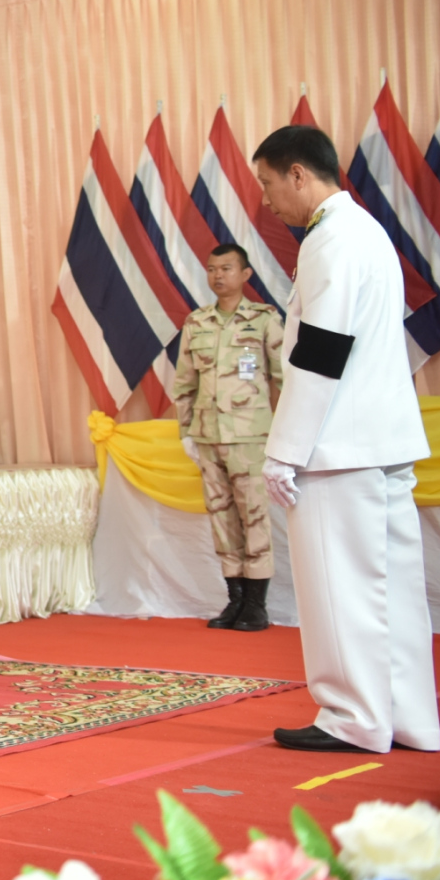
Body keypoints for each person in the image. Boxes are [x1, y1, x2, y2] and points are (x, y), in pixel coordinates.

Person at [253, 124, 439, 754]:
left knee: (341, 590)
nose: (267, 201)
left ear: (298, 174)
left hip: (337, 446)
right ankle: (407, 716)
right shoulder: (369, 232)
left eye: (268, 184)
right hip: (381, 440)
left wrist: (284, 449)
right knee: (394, 592)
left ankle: (351, 716)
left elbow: (320, 352)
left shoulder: (329, 239)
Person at [171, 243, 285, 631]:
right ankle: (234, 600)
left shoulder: (264, 319)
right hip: (207, 437)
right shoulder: (196, 322)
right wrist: (186, 432)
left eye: (226, 268)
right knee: (222, 518)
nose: (218, 275)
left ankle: (256, 604)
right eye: (211, 269)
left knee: (254, 516)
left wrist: (284, 436)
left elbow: (284, 379)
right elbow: (184, 384)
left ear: (246, 274)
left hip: (251, 437)